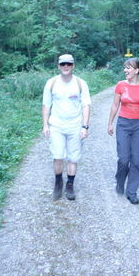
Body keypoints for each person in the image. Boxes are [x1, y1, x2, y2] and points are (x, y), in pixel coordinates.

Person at [107, 58, 139, 205]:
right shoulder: (120, 85)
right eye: (125, 68)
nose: (125, 70)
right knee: (123, 159)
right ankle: (120, 180)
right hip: (123, 123)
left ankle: (132, 192)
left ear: (137, 70)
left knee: (136, 160)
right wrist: (110, 123)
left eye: (129, 68)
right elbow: (115, 105)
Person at [42, 54, 91, 201]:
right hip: (56, 125)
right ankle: (58, 183)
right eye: (63, 64)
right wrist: (45, 125)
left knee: (73, 158)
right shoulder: (51, 83)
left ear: (73, 66)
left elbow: (86, 105)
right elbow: (46, 105)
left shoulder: (80, 84)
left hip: (75, 126)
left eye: (68, 64)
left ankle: (70, 185)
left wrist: (85, 126)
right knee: (57, 156)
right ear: (58, 66)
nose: (66, 67)